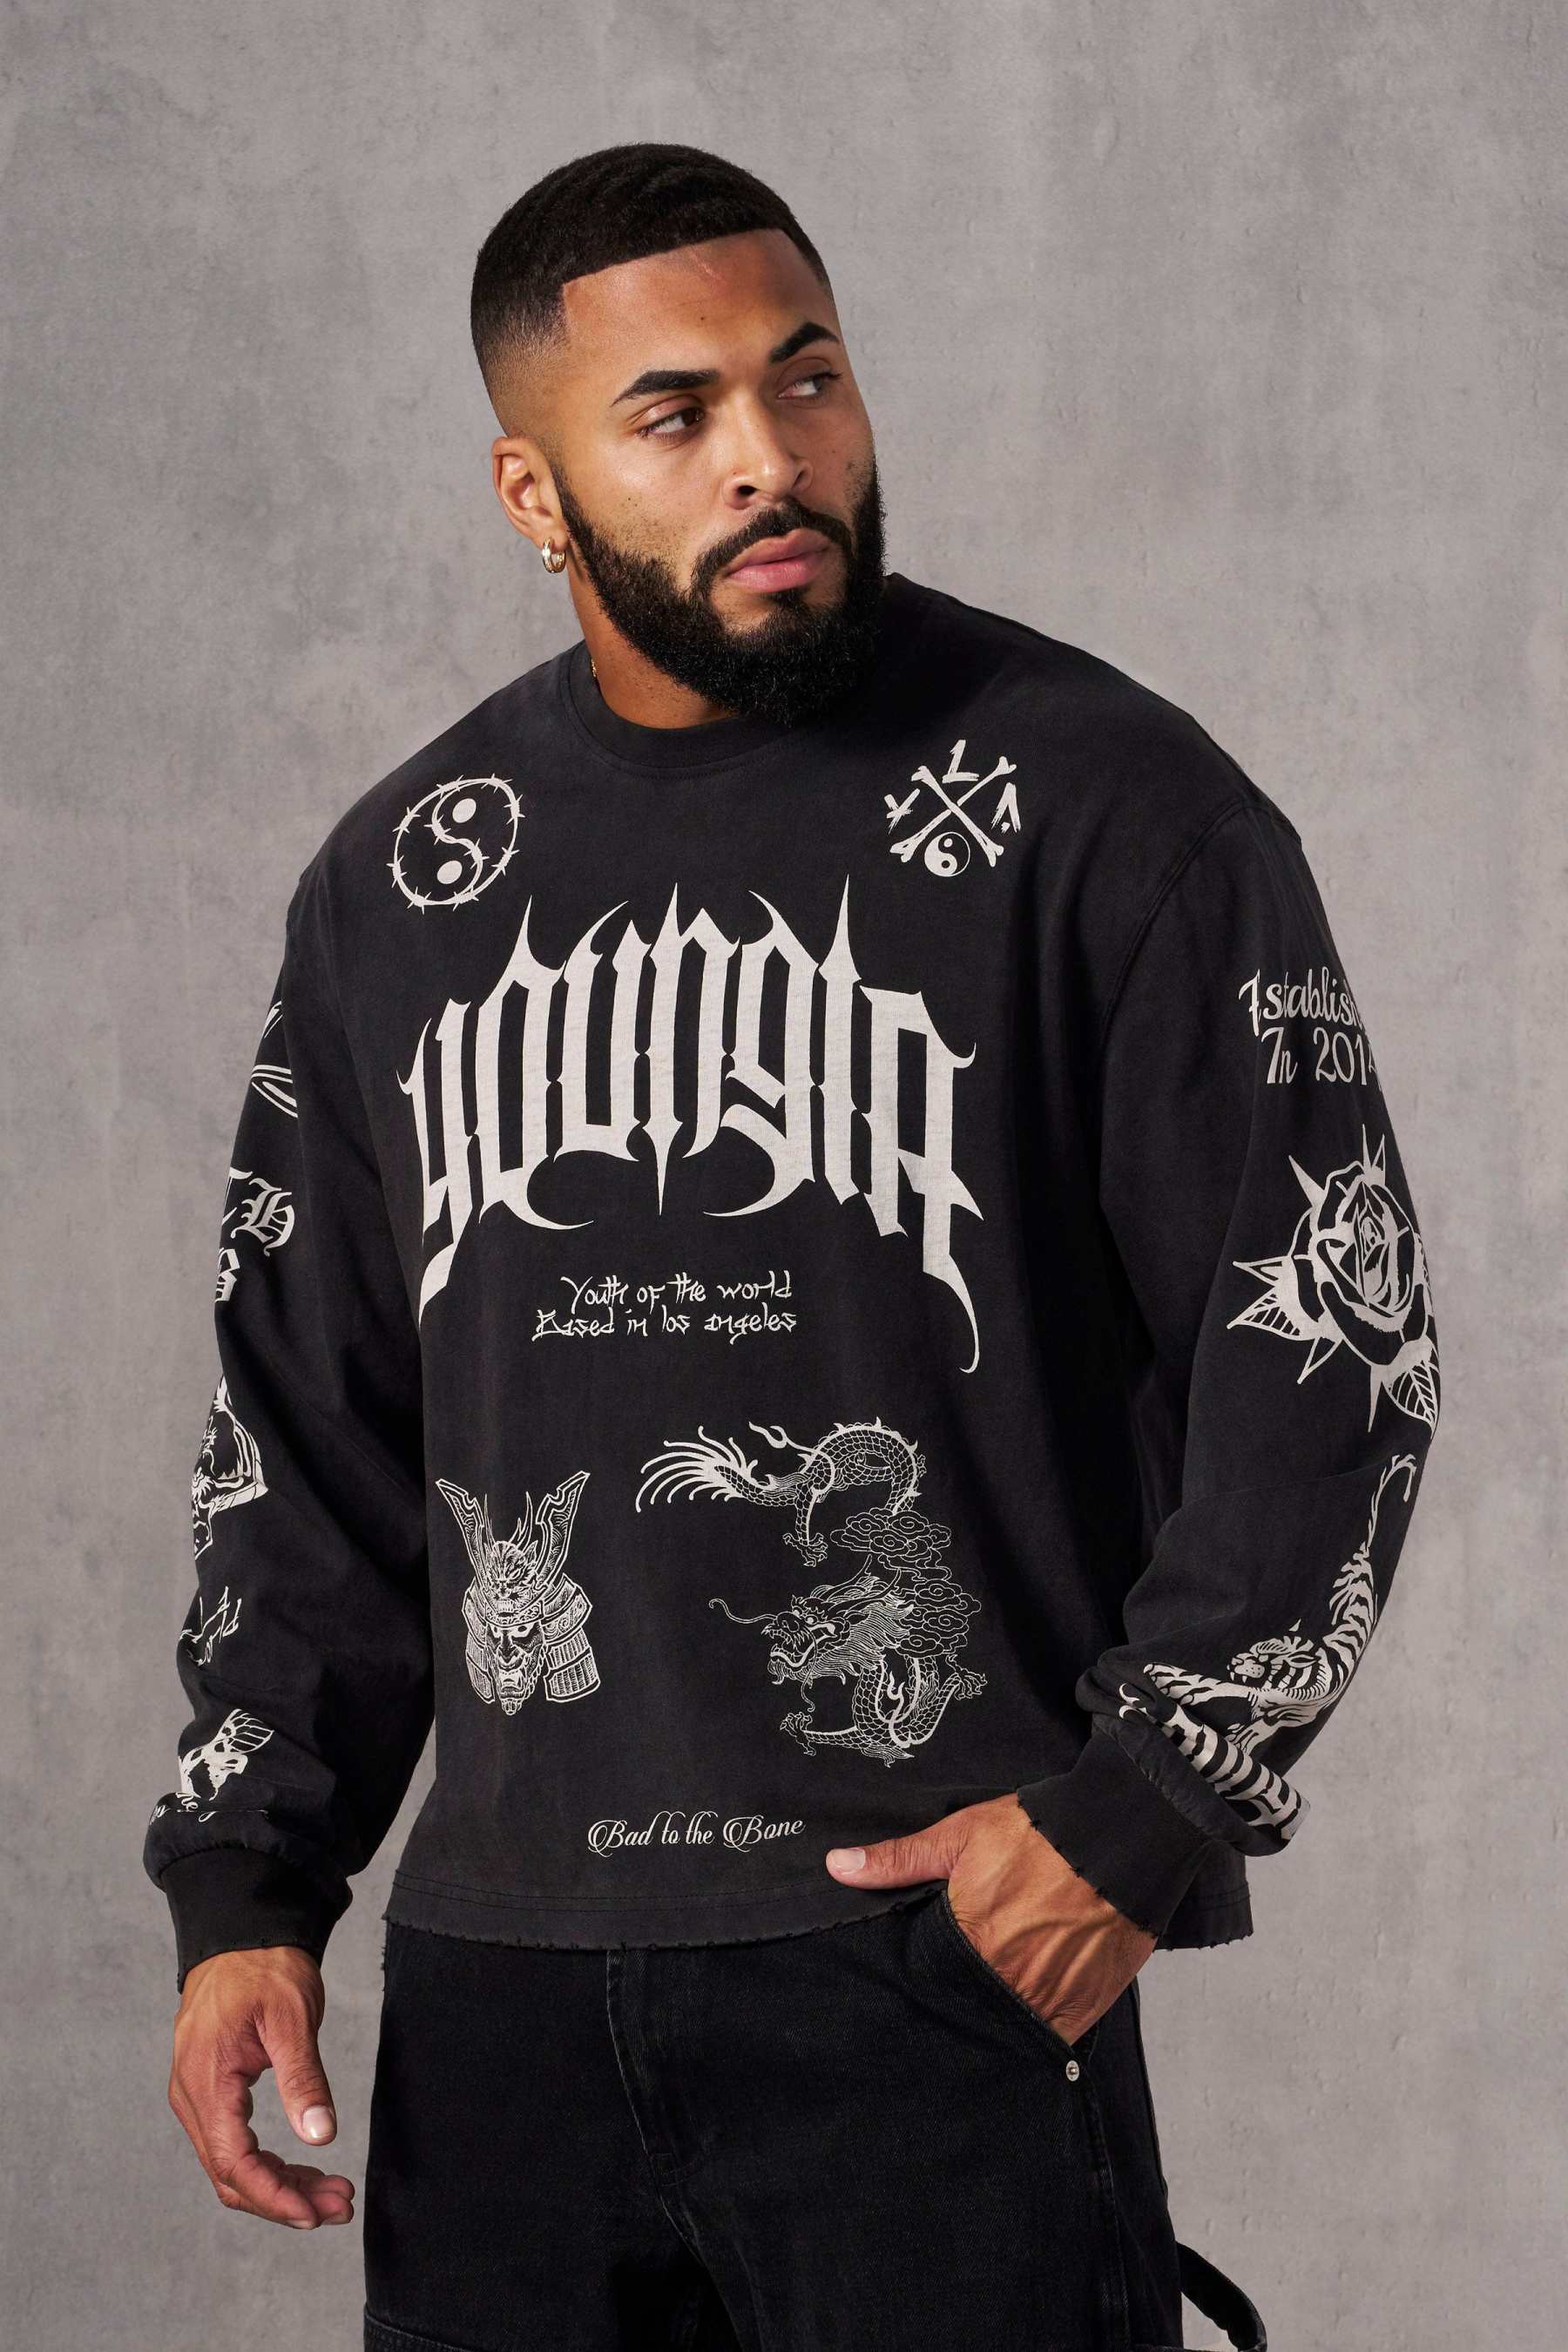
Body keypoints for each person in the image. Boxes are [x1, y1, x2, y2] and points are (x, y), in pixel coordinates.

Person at [145, 142, 1441, 2351]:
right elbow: (311, 1423)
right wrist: (249, 1881)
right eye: (676, 415)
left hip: (932, 1963)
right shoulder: (403, 884)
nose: (773, 457)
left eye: (807, 378)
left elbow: (1335, 1342)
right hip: (503, 1999)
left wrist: (1143, 1813)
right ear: (536, 493)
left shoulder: (1113, 805)